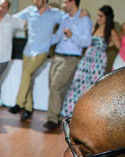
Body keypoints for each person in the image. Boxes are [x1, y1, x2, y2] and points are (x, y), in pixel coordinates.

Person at [59, 5, 117, 120]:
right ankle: (71, 111)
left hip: (99, 61)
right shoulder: (93, 28)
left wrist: (106, 46)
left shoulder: (111, 31)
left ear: (107, 17)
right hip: (87, 59)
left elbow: (119, 45)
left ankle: (88, 114)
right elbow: (85, 39)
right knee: (78, 83)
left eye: (101, 16)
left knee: (93, 87)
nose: (99, 18)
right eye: (98, 15)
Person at [42, 0, 91, 131]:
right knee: (55, 88)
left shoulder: (84, 19)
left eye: (65, 1)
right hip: (57, 55)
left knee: (55, 86)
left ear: (73, 2)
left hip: (71, 58)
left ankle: (52, 119)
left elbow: (87, 41)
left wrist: (72, 36)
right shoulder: (64, 18)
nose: (63, 4)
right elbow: (57, 37)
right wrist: (42, 41)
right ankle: (57, 117)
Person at [9, 0, 61, 121]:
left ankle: (19, 103)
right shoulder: (30, 10)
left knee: (26, 73)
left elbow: (68, 20)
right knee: (28, 78)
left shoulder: (54, 13)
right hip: (28, 50)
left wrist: (52, 40)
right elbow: (13, 18)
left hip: (42, 51)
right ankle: (28, 108)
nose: (35, 1)